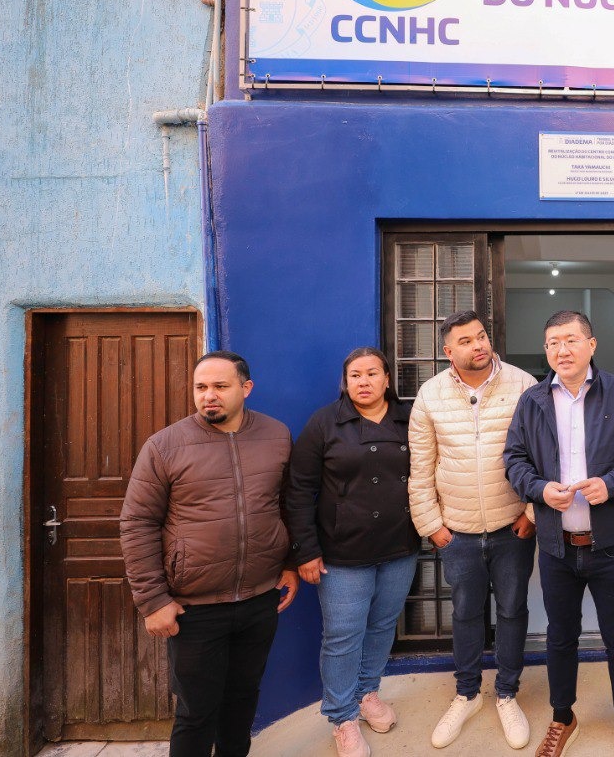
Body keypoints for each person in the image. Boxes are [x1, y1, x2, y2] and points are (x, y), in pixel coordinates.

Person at [120, 351, 299, 757]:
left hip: (259, 599)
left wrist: (289, 563)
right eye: (201, 387)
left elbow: (288, 505)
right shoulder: (165, 445)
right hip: (194, 608)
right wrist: (153, 601)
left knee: (242, 702)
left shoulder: (276, 436)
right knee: (196, 712)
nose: (209, 395)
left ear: (246, 388)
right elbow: (137, 523)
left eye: (220, 386)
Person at [504, 310, 614, 757]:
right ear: (546, 350)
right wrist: (538, 489)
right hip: (557, 547)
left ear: (591, 345)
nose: (562, 350)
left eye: (571, 340)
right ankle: (562, 717)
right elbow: (514, 459)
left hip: (609, 546)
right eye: (553, 342)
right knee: (560, 637)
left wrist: (612, 484)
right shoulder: (532, 400)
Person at [408, 310, 538, 750]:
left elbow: (545, 455)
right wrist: (432, 525)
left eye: (481, 336)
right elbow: (421, 468)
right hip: (457, 532)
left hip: (512, 528)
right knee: (465, 612)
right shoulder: (431, 394)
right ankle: (467, 693)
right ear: (449, 352)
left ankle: (506, 693)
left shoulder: (523, 385)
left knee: (512, 610)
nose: (478, 345)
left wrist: (532, 514)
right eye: (465, 341)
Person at [287, 347, 421, 757]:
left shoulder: (408, 418)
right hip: (342, 550)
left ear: (387, 379)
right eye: (355, 375)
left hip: (399, 544)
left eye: (372, 373)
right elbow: (298, 489)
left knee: (382, 626)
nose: (364, 382)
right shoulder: (325, 422)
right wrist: (305, 551)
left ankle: (367, 693)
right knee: (343, 635)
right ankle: (342, 717)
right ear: (345, 383)